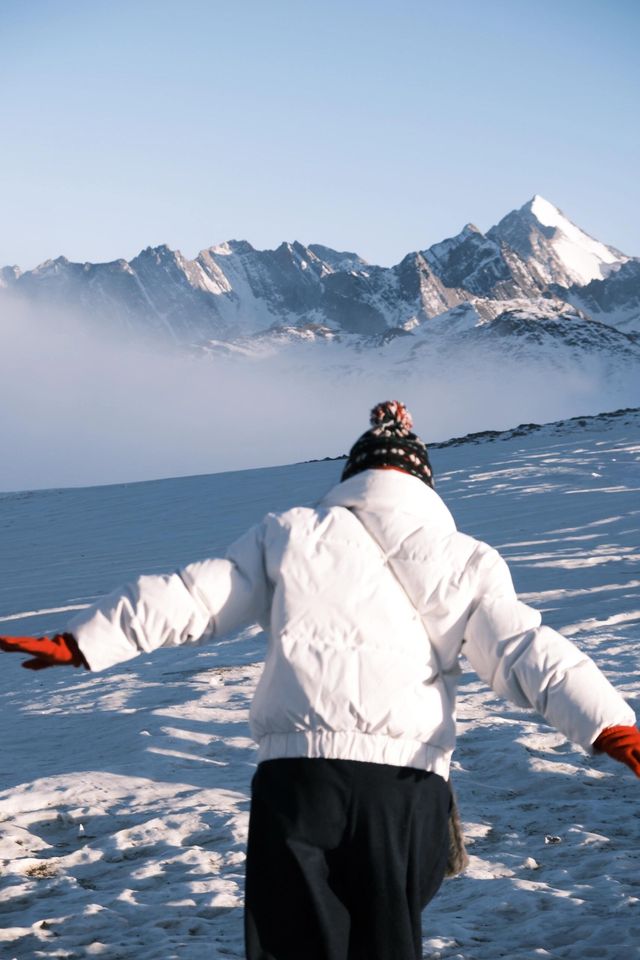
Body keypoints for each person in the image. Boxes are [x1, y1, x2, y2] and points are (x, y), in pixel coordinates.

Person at [2, 400, 639, 960]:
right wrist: (609, 723)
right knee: (389, 938)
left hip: (299, 779)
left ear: (352, 477)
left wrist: (88, 639)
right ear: (423, 483)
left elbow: (196, 597)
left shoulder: (290, 533)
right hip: (406, 786)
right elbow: (524, 647)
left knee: (295, 942)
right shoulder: (465, 558)